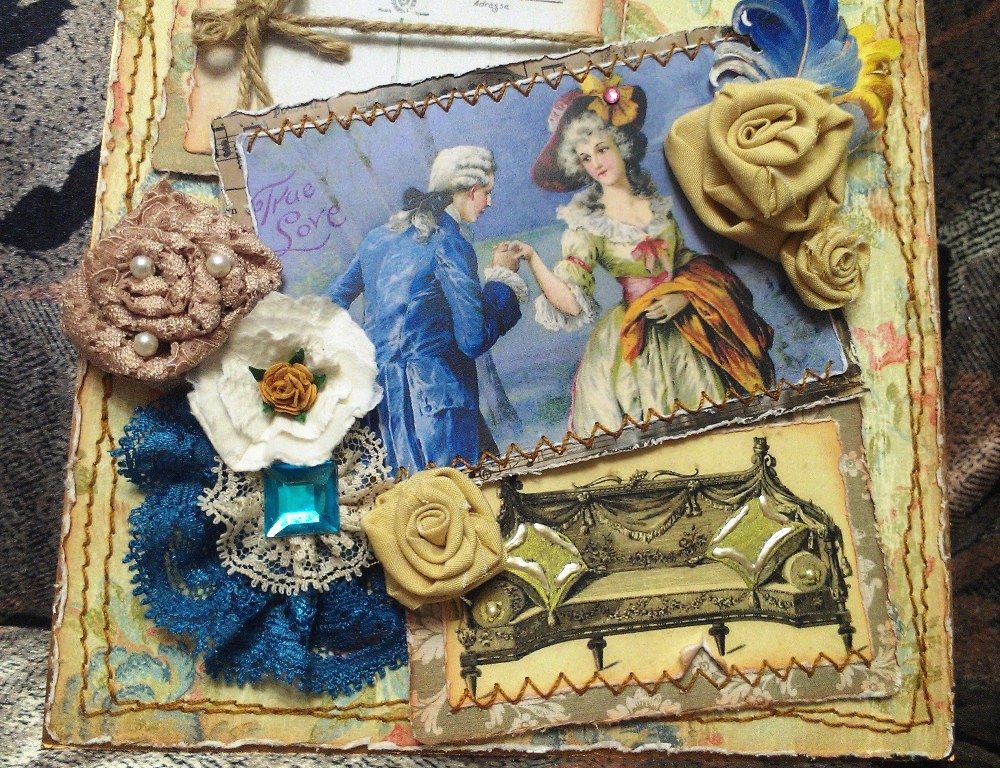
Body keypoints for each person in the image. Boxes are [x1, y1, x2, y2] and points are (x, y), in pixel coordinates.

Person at [519, 77, 776, 433]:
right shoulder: (586, 224)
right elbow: (573, 304)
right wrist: (534, 260)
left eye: (602, 149)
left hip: (690, 327)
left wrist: (685, 295)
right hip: (635, 340)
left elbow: (686, 263)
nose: (596, 163)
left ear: (621, 144)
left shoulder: (654, 204)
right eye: (585, 157)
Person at [328, 146, 527, 472]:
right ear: (470, 190)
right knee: (461, 493)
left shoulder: (377, 239)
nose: (489, 202)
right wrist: (502, 280)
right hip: (439, 408)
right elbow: (473, 339)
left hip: (383, 410)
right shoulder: (449, 244)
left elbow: (331, 303)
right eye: (486, 193)